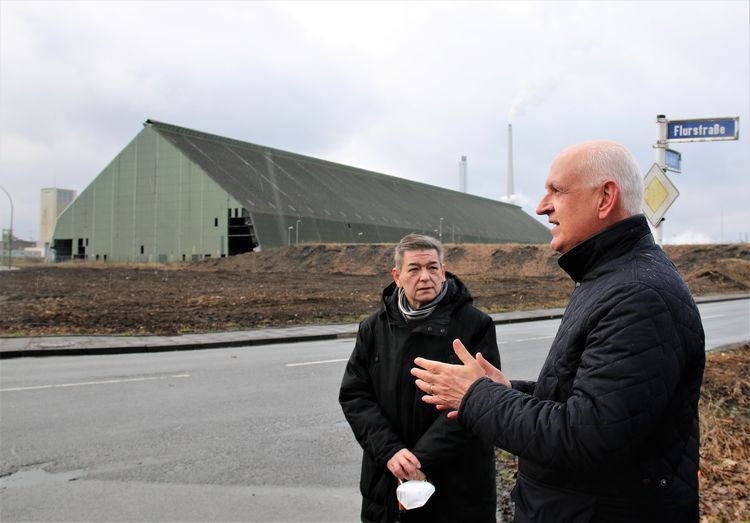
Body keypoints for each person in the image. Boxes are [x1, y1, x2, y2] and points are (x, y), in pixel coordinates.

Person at [412, 140, 705, 522]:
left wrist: (477, 398)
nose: (541, 206)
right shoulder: (610, 278)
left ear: (605, 198)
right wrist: (507, 392)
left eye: (557, 191)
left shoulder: (637, 295)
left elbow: (587, 435)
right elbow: (587, 400)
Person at [339, 233, 501, 522]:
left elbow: (478, 401)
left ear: (443, 269)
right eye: (414, 269)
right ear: (397, 276)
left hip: (457, 489)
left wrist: (419, 460)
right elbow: (355, 396)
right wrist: (391, 451)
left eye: (432, 267)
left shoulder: (475, 325)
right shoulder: (373, 328)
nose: (425, 277)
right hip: (387, 482)